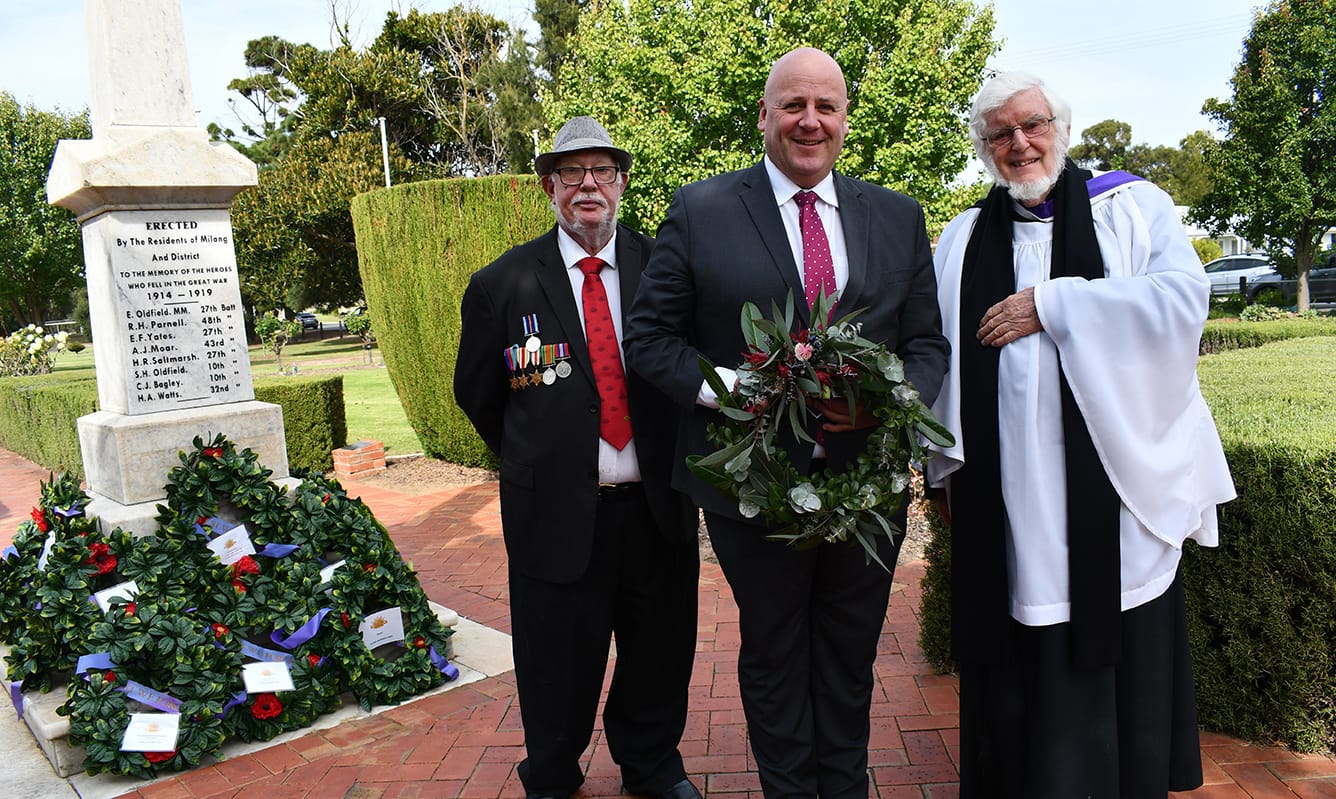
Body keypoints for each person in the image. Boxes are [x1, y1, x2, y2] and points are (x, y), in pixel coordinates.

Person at [624, 48, 949, 798]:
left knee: (849, 655)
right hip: (753, 489)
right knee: (775, 653)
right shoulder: (701, 210)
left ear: (844, 120)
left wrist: (885, 403)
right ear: (765, 115)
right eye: (793, 105)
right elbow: (650, 337)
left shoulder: (897, 216)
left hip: (867, 488)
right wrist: (736, 390)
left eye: (826, 106)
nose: (810, 121)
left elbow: (927, 344)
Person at [926, 72, 1237, 797]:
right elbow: (939, 356)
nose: (1019, 143)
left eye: (1032, 124)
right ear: (985, 149)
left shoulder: (1130, 209)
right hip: (1011, 496)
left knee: (1113, 620)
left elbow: (1183, 299)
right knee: (1018, 629)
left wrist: (1056, 303)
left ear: (1061, 129)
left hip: (1114, 488)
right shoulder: (964, 238)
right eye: (1000, 134)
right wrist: (941, 468)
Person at [453, 116, 702, 799]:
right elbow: (480, 397)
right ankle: (554, 772)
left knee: (659, 652)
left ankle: (653, 766)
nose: (588, 184)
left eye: (603, 170)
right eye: (571, 171)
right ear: (549, 186)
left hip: (657, 510)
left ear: (621, 183)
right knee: (556, 662)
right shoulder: (502, 284)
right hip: (556, 514)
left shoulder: (666, 270)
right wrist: (545, 458)